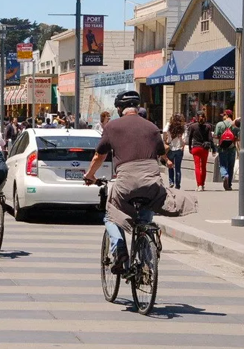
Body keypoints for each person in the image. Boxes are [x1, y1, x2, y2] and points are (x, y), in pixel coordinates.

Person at [83, 91, 197, 273]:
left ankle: (120, 249)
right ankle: (146, 262)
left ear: (120, 109)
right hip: (151, 182)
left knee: (111, 216)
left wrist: (90, 175)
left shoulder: (112, 127)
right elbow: (161, 154)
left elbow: (99, 156)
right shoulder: (152, 127)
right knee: (145, 217)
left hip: (126, 182)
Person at [188, 111, 215, 192]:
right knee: (203, 167)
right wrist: (214, 149)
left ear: (196, 117)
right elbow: (210, 139)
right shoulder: (208, 126)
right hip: (204, 148)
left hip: (196, 148)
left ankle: (198, 185)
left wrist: (190, 148)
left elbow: (189, 138)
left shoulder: (193, 126)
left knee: (197, 167)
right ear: (205, 117)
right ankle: (202, 185)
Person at [214, 110, 238, 191]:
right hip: (232, 148)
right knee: (231, 166)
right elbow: (238, 137)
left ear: (227, 115)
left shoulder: (220, 124)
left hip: (222, 148)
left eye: (224, 115)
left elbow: (216, 136)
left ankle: (225, 175)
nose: (222, 116)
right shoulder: (235, 125)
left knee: (223, 165)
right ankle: (229, 185)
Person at [163, 113, 186, 190]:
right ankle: (178, 184)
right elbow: (184, 141)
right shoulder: (183, 127)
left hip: (171, 148)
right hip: (179, 149)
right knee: (178, 167)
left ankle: (171, 182)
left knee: (170, 165)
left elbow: (164, 130)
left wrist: (165, 139)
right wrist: (181, 141)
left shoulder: (169, 125)